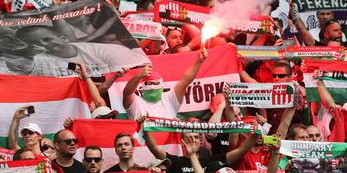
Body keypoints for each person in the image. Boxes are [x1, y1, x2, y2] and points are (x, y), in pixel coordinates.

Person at [15, 25, 150, 77]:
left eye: (46, 39)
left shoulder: (112, 50)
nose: (42, 45)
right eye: (34, 44)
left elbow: (125, 80)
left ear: (63, 37)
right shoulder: (37, 63)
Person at [123, 49, 207, 120]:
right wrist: (138, 76)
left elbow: (185, 81)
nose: (152, 87)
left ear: (162, 86)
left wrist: (198, 62)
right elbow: (127, 93)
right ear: (142, 87)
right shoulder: (136, 103)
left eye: (155, 83)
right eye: (148, 84)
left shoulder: (170, 99)